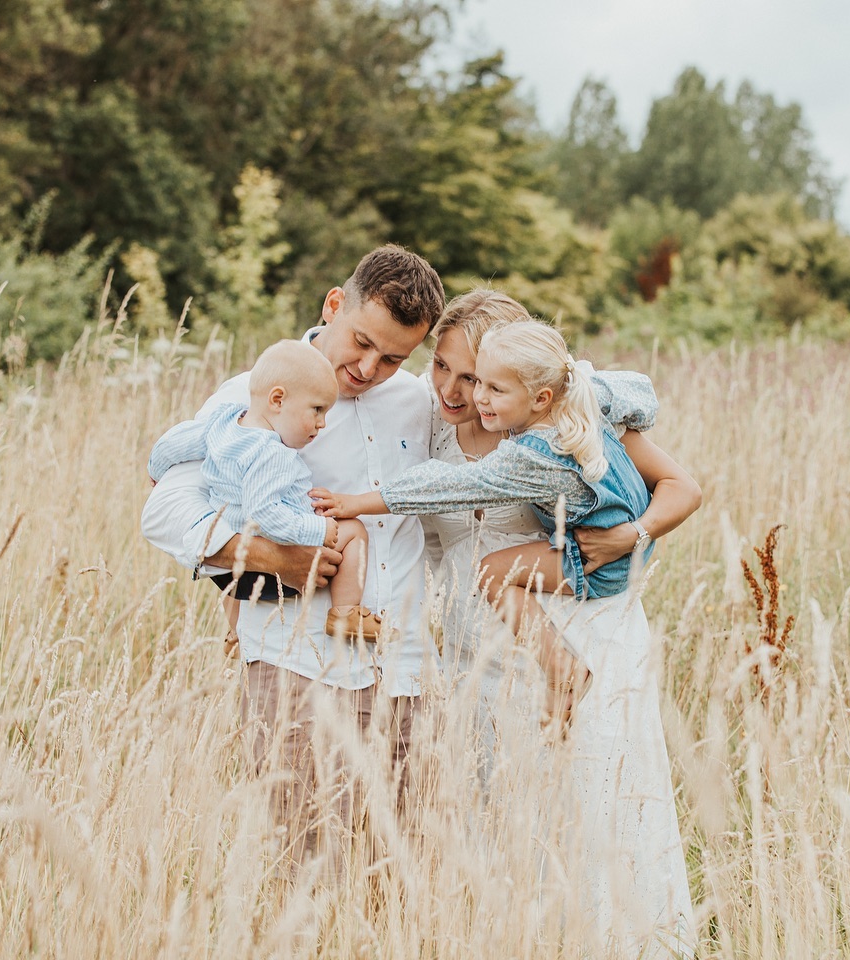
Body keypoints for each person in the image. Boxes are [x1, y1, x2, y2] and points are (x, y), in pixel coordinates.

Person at [411, 290, 701, 957]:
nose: (453, 390)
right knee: (497, 831)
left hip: (566, 648)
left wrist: (633, 534)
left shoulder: (570, 421)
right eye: (441, 367)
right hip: (471, 663)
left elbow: (678, 486)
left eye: (472, 376)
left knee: (587, 821)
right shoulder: (428, 428)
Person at [141, 244, 445, 873]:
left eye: (393, 358)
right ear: (334, 305)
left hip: (406, 670)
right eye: (361, 342)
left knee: (405, 872)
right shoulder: (255, 395)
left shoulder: (419, 402)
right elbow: (164, 513)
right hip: (296, 663)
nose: (368, 368)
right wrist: (273, 558)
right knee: (309, 870)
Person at [312, 320, 654, 727]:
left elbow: (448, 486)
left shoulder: (531, 457)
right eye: (481, 383)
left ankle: (561, 668)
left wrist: (357, 503)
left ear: (540, 397)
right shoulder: (581, 400)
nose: (479, 397)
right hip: (625, 545)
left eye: (493, 388)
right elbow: (642, 392)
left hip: (601, 560)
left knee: (493, 573)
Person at [146, 339, 386, 643]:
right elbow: (263, 514)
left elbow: (174, 443)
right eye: (317, 410)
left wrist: (156, 470)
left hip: (229, 562)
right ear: (278, 400)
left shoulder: (224, 421)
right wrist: (318, 529)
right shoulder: (274, 455)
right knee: (354, 531)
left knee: (231, 577)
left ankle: (236, 631)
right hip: (272, 556)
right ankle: (345, 612)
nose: (322, 423)